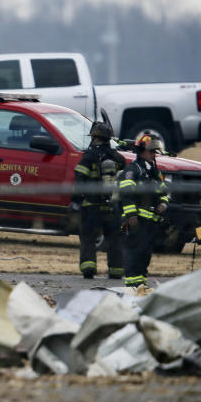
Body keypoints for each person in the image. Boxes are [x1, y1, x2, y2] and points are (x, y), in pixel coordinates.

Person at [72, 120, 126, 279]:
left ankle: (88, 269)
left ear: (95, 138)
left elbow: (79, 178)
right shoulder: (116, 157)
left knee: (88, 238)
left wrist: (75, 200)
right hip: (112, 208)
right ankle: (116, 271)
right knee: (114, 240)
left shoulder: (89, 156)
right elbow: (123, 170)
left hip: (91, 207)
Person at [118, 134, 169, 287]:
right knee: (134, 253)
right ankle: (132, 285)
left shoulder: (154, 172)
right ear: (141, 151)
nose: (154, 154)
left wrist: (164, 204)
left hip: (150, 222)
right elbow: (126, 195)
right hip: (136, 221)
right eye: (151, 151)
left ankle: (141, 284)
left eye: (155, 152)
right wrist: (132, 215)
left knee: (145, 254)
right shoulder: (133, 171)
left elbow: (164, 193)